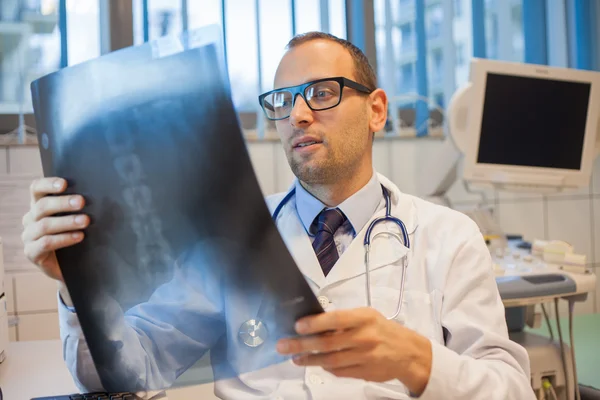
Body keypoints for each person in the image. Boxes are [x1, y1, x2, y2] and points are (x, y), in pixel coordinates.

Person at [21, 32, 535, 399]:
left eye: (321, 92)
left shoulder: (448, 237)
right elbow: (123, 372)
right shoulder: (230, 238)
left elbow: (513, 390)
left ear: (376, 109)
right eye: (282, 100)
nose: (298, 114)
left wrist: (417, 362)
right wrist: (77, 286)